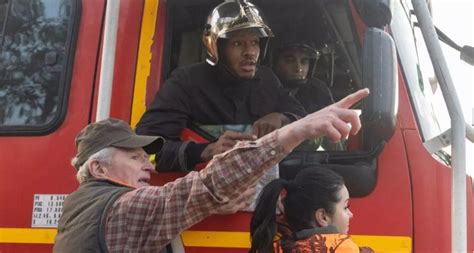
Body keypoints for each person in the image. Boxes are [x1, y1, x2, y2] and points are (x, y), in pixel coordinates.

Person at [52, 88, 369, 252]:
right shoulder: (124, 210)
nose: (145, 164)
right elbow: (208, 186)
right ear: (98, 167)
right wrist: (296, 131)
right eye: (134, 157)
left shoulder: (80, 205)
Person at [136, 0, 306, 172]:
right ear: (216, 47)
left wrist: (281, 117)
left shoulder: (267, 80)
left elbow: (301, 116)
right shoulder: (186, 82)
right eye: (238, 43)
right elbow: (145, 148)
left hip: (263, 187)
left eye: (254, 42)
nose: (250, 52)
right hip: (203, 190)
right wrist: (206, 150)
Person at [249, 167, 374, 253]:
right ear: (323, 217)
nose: (350, 214)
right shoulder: (343, 249)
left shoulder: (274, 248)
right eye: (345, 207)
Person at [273, 39, 334, 113]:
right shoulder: (264, 89)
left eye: (304, 62)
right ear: (276, 63)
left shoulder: (319, 90)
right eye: (289, 61)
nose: (298, 69)